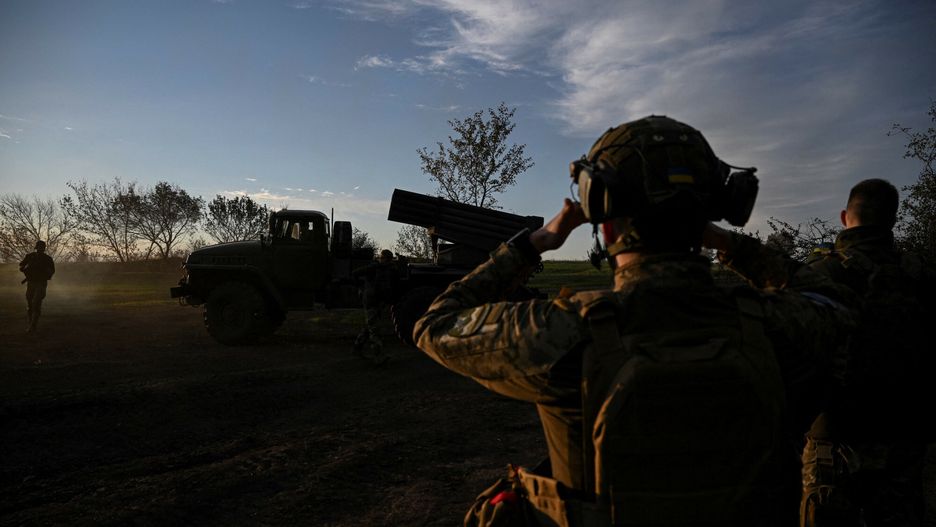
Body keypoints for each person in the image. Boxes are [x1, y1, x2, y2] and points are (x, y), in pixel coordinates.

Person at [413, 115, 856, 526]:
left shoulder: (563, 331)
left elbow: (435, 324)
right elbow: (835, 300)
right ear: (716, 208)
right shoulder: (776, 325)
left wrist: (535, 244)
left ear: (602, 220)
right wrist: (730, 245)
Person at [800, 179, 935, 527]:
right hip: (904, 438)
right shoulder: (921, 277)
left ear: (845, 216)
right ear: (892, 219)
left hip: (833, 440)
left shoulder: (819, 274)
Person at [352, 249, 399, 364]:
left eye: (388, 259)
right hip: (371, 301)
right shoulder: (373, 268)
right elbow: (355, 273)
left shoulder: (389, 270)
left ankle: (357, 347)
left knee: (370, 326)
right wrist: (361, 289)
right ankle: (378, 356)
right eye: (384, 259)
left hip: (379, 302)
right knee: (374, 329)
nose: (386, 261)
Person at [19, 240, 56, 333]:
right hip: (31, 283)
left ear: (44, 248)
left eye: (41, 247)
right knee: (30, 304)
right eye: (39, 247)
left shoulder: (47, 259)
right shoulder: (30, 256)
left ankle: (32, 326)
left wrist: (44, 270)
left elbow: (51, 271)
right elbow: (21, 266)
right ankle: (31, 323)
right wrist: (26, 268)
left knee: (36, 303)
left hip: (41, 284)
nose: (40, 249)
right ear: (36, 248)